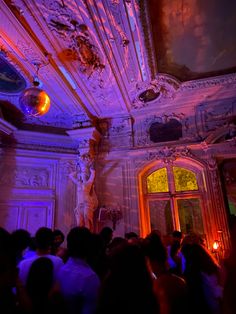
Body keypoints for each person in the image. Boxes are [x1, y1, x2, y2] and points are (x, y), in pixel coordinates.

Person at [69, 154, 98, 231]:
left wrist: (91, 165)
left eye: (84, 175)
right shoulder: (78, 183)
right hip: (79, 204)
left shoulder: (89, 182)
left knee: (87, 221)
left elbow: (93, 174)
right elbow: (71, 176)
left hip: (87, 203)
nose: (82, 176)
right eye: (81, 175)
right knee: (79, 224)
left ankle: (88, 237)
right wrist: (77, 170)